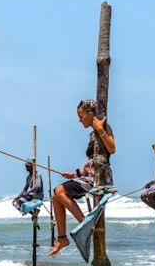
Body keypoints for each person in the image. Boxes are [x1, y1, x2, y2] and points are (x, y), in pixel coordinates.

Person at [47, 99, 116, 256]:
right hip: (89, 176)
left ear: (90, 114)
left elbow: (112, 149)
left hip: (99, 178)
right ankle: (62, 238)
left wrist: (100, 129)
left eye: (81, 116)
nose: (79, 120)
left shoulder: (103, 128)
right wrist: (75, 173)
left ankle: (86, 224)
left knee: (59, 190)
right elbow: (89, 165)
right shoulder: (91, 135)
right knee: (55, 197)